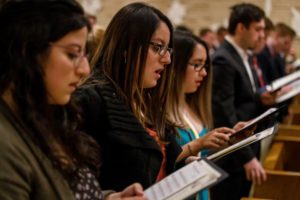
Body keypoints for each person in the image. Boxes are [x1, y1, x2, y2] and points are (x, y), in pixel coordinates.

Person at [0, 1, 146, 200]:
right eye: (72, 54)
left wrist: (110, 198)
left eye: (84, 54)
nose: (84, 69)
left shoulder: (46, 117)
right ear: (28, 50)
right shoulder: (5, 142)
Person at [74, 2, 182, 192]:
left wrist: (188, 162)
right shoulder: (90, 100)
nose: (167, 59)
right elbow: (75, 182)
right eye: (158, 47)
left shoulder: (144, 98)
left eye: (168, 49)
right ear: (126, 47)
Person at [210, 3, 274, 200]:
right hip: (233, 155)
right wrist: (247, 158)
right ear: (241, 28)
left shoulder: (241, 55)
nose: (261, 35)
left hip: (244, 144)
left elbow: (244, 98)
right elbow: (224, 114)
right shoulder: (224, 59)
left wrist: (261, 99)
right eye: (258, 29)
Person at [168, 30, 238, 200]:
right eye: (197, 64)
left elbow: (203, 154)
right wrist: (198, 143)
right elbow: (162, 161)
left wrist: (230, 138)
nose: (204, 73)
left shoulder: (193, 105)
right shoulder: (160, 111)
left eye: (205, 65)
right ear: (176, 65)